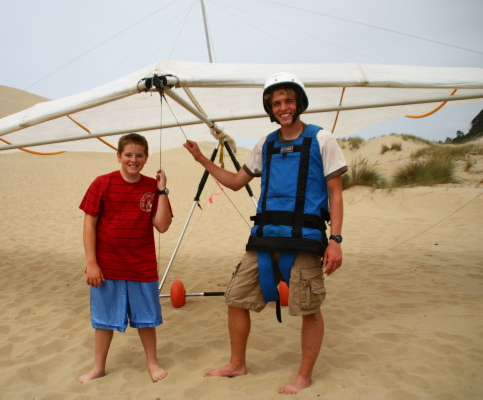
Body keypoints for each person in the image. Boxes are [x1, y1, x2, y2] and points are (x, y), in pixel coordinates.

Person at [183, 72, 347, 395]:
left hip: (304, 240)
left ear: (298, 102)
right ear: (270, 109)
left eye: (288, 101)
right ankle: (236, 364)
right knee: (235, 298)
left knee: (309, 309)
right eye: (276, 103)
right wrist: (201, 158)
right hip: (265, 238)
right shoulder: (266, 144)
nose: (283, 107)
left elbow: (335, 193)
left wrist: (336, 240)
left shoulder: (323, 140)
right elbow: (235, 182)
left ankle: (304, 375)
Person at [77, 133, 172, 384]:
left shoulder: (152, 186)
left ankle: (152, 363)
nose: (133, 160)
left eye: (139, 155)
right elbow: (89, 224)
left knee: (146, 319)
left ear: (146, 158)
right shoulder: (102, 183)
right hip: (107, 266)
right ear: (119, 156)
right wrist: (92, 263)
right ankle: (99, 366)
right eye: (128, 155)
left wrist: (162, 190)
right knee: (104, 320)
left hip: (141, 266)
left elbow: (162, 226)